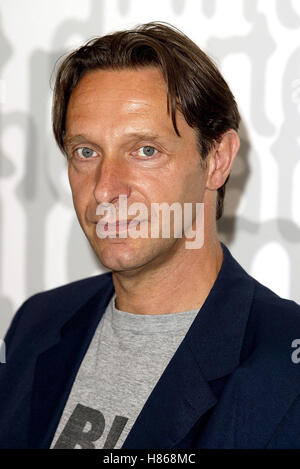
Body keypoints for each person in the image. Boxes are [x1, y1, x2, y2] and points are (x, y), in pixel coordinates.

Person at [1, 21, 300, 450]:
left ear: (217, 160)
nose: (105, 188)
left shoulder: (284, 368)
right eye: (86, 152)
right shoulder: (37, 324)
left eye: (144, 151)